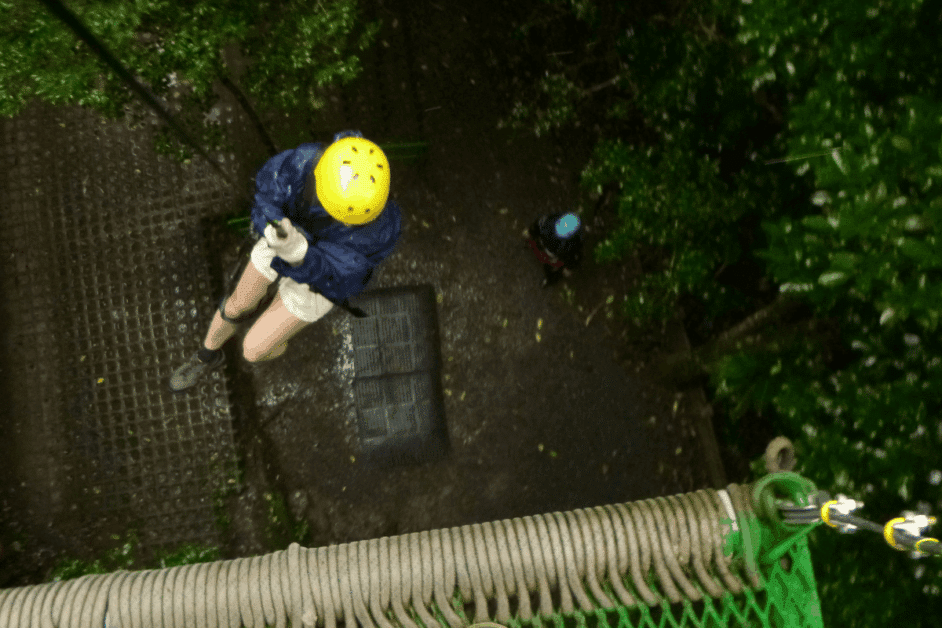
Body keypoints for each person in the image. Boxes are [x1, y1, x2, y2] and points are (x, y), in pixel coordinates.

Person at [169, 130, 402, 392]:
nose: (345, 222)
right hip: (285, 236)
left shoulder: (377, 233)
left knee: (253, 350)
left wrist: (300, 257)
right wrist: (271, 225)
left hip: (319, 278)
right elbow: (266, 198)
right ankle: (207, 355)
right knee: (237, 306)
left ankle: (279, 335)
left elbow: (340, 282)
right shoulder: (305, 163)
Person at [523, 211, 584, 287]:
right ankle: (529, 244)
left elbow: (575, 256)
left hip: (553, 256)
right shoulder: (547, 222)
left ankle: (550, 279)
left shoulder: (574, 243)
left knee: (550, 268)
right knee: (535, 244)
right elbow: (538, 224)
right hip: (542, 243)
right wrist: (530, 232)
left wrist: (568, 268)